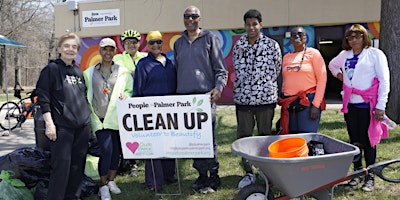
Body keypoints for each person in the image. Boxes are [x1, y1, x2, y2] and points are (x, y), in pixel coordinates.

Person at [328, 24, 390, 192]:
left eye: (358, 36)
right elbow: (332, 65)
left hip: (368, 105)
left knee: (368, 141)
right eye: (350, 37)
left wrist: (380, 106)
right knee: (354, 140)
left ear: (364, 37)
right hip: (351, 105)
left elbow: (384, 81)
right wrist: (341, 77)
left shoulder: (374, 54)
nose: (354, 40)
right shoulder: (345, 55)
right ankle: (357, 172)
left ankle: (370, 174)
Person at [173, 5, 228, 193]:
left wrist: (218, 88)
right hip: (184, 99)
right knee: (193, 140)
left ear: (199, 18)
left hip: (205, 98)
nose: (190, 19)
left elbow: (221, 69)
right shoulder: (178, 43)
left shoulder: (210, 38)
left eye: (194, 16)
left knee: (207, 138)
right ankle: (201, 175)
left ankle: (214, 175)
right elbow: (177, 70)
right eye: (187, 16)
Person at [35, 32, 92, 200]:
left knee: (77, 168)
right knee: (61, 168)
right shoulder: (51, 70)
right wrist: (49, 124)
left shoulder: (78, 71)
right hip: (62, 128)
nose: (70, 49)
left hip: (82, 127)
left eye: (74, 47)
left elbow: (83, 97)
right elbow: (43, 99)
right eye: (66, 46)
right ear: (59, 48)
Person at [232, 9, 282, 189]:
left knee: (265, 136)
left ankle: (265, 172)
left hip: (265, 98)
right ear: (244, 25)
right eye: (248, 24)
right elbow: (236, 69)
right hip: (243, 99)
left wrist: (263, 85)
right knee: (244, 137)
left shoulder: (272, 45)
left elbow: (277, 69)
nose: (251, 27)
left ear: (261, 25)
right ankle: (248, 173)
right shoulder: (239, 46)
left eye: (255, 24)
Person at [83, 38, 133, 200]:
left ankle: (111, 181)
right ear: (100, 51)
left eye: (111, 49)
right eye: (105, 49)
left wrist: (126, 95)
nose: (108, 52)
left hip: (118, 119)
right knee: (106, 150)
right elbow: (84, 95)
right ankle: (103, 185)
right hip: (99, 119)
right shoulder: (89, 73)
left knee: (117, 152)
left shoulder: (123, 71)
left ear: (115, 52)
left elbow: (130, 90)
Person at [133, 31, 177, 193]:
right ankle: (153, 181)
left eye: (158, 42)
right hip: (150, 111)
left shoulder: (170, 63)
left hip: (170, 111)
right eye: (152, 43)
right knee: (153, 145)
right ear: (148, 46)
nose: (156, 45)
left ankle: (169, 176)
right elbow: (138, 89)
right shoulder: (143, 64)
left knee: (168, 143)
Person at [278, 26, 327, 135]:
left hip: (308, 103)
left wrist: (315, 105)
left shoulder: (313, 54)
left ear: (305, 38)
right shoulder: (286, 57)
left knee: (307, 138)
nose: (297, 37)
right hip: (290, 103)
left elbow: (322, 79)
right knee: (292, 138)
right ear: (290, 39)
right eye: (293, 35)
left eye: (300, 34)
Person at [113, 29, 147, 176]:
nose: (131, 45)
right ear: (123, 45)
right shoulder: (118, 59)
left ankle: (147, 157)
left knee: (143, 130)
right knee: (128, 131)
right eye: (127, 43)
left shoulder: (146, 57)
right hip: (126, 100)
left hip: (144, 99)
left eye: (134, 42)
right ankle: (131, 163)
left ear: (139, 44)